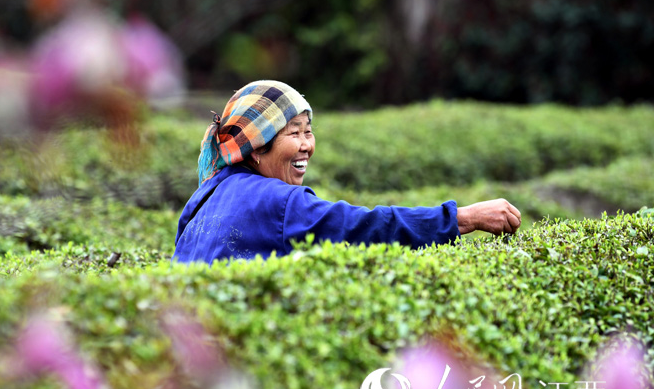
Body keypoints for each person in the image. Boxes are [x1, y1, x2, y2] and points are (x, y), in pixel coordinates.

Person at [172, 80, 521, 264]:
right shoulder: (280, 201)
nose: (307, 144)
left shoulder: (203, 197)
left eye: (308, 131)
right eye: (293, 133)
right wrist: (464, 218)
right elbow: (364, 229)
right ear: (257, 149)